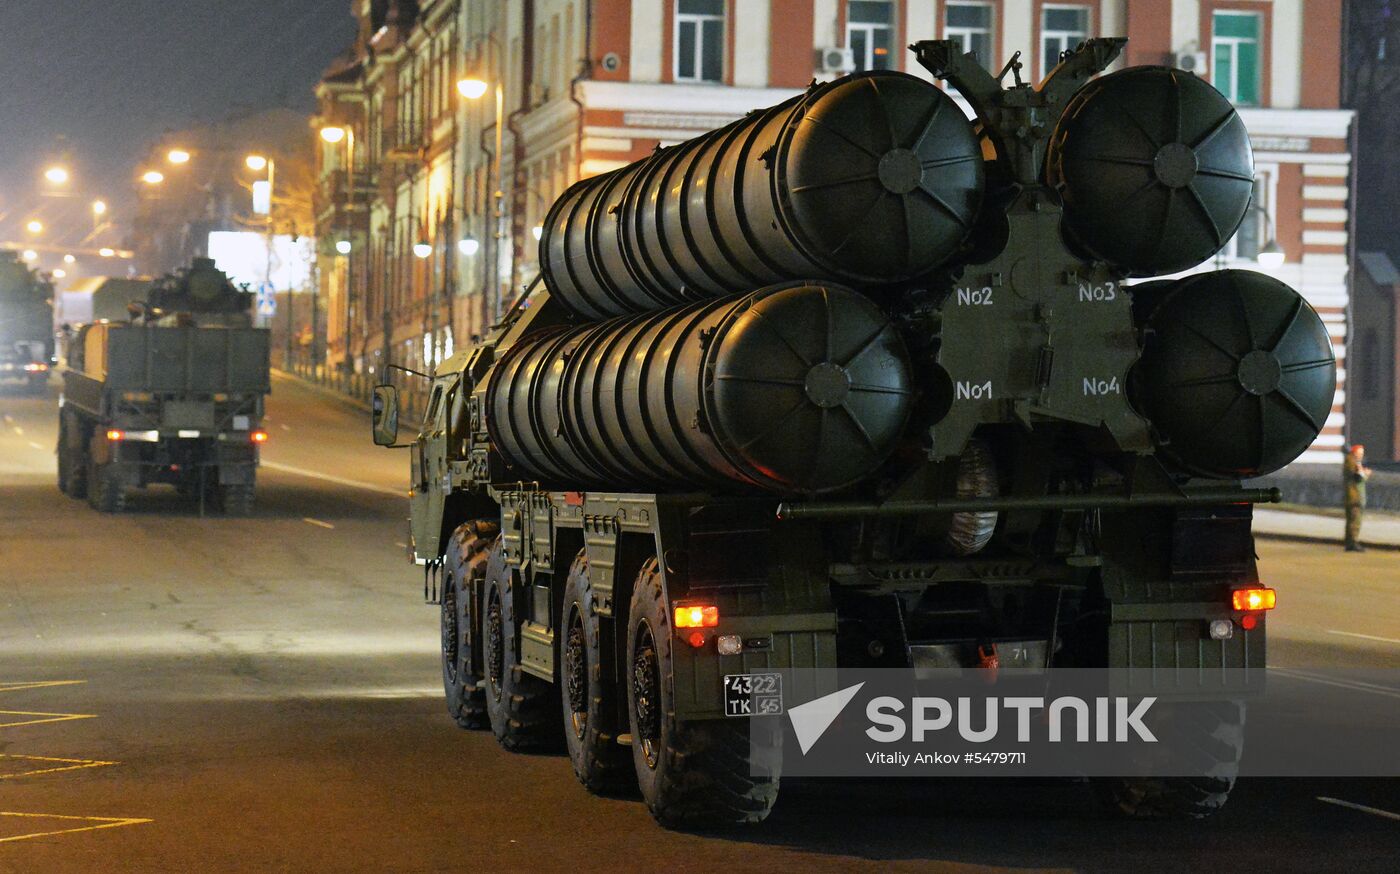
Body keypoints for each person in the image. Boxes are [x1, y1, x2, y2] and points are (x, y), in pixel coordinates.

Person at [1343, 443, 1371, 552]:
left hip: (1354, 496)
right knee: (1355, 521)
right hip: (1354, 497)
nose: (1361, 455)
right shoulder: (1352, 462)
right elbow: (1357, 477)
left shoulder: (1352, 462)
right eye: (1360, 453)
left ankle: (1350, 542)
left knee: (1352, 520)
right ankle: (1352, 542)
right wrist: (1365, 474)